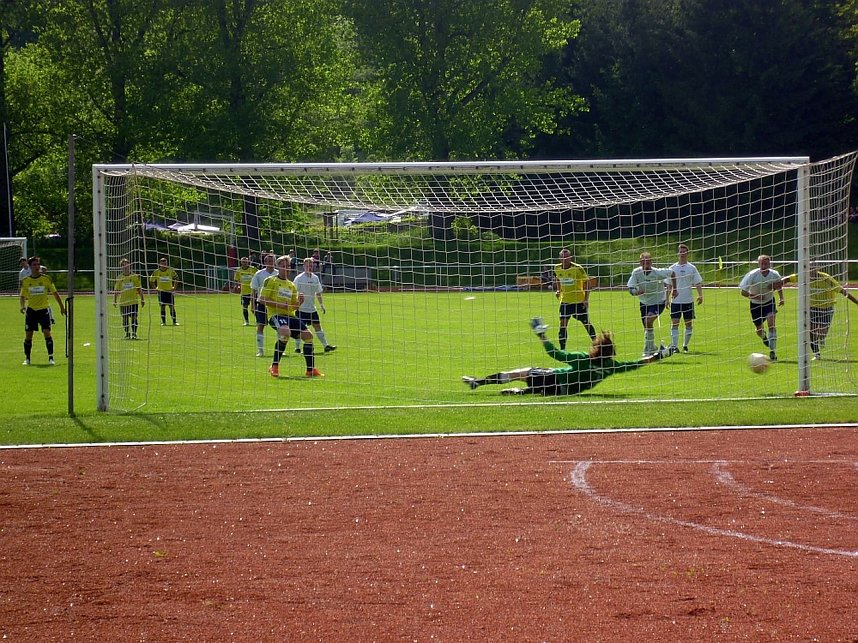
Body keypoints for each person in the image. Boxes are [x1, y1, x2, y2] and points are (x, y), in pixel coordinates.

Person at [461, 318, 671, 396]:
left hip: (553, 379)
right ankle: (521, 393)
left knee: (520, 372)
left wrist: (541, 335)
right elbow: (636, 364)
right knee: (537, 386)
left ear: (596, 348)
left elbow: (555, 353)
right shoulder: (611, 367)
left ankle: (478, 383)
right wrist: (659, 355)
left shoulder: (581, 359)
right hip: (565, 392)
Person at [258, 254, 322, 378]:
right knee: (285, 332)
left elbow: (293, 307)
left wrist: (299, 302)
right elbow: (261, 299)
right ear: (278, 267)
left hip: (290, 316)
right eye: (283, 266)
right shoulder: (270, 280)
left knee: (308, 336)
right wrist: (280, 305)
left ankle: (310, 370)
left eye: (288, 266)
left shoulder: (291, 285)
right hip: (275, 314)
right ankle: (274, 366)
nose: (286, 268)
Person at [782, 265, 858, 359]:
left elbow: (843, 291)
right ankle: (816, 353)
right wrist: (776, 284)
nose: (810, 271)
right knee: (811, 330)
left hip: (827, 307)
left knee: (822, 332)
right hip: (812, 307)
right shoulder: (802, 276)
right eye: (808, 269)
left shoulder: (826, 278)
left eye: (812, 269)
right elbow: (787, 279)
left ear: (817, 269)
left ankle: (822, 338)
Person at [19, 256, 66, 365]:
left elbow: (55, 293)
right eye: (34, 265)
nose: (37, 266)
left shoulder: (46, 279)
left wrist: (62, 307)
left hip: (43, 310)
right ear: (30, 267)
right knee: (28, 335)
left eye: (38, 264)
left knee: (47, 332)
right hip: (31, 311)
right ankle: (27, 359)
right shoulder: (26, 281)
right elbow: (22, 296)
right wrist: (22, 306)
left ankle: (51, 358)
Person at [627, 252, 676, 356]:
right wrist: (636, 292)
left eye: (648, 261)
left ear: (651, 262)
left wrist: (674, 289)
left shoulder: (657, 272)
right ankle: (652, 347)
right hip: (644, 303)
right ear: (640, 262)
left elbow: (672, 273)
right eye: (644, 261)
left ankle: (647, 351)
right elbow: (630, 288)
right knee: (646, 326)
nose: (646, 263)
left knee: (648, 320)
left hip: (658, 302)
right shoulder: (636, 273)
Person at [739, 254, 784, 361]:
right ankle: (764, 337)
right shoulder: (752, 275)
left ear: (770, 264)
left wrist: (781, 298)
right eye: (762, 263)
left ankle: (772, 352)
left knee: (771, 325)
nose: (764, 265)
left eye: (766, 263)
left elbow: (778, 286)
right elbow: (743, 292)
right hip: (755, 304)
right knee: (759, 330)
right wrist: (756, 296)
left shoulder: (774, 274)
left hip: (769, 302)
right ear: (758, 264)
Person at [552, 248, 596, 348]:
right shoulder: (557, 268)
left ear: (570, 257)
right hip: (565, 301)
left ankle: (597, 343)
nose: (565, 259)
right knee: (562, 324)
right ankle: (562, 350)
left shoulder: (578, 268)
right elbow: (557, 278)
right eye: (563, 257)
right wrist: (559, 290)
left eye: (567, 257)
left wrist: (586, 299)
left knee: (586, 323)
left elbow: (587, 283)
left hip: (579, 301)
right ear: (560, 258)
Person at [293, 256, 336, 354]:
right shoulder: (299, 278)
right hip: (301, 309)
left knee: (318, 327)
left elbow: (318, 293)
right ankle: (297, 348)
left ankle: (326, 346)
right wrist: (296, 304)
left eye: (311, 265)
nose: (310, 267)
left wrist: (321, 305)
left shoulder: (315, 278)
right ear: (304, 266)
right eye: (307, 265)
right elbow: (294, 292)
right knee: (300, 329)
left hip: (312, 309)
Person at [667, 243, 703, 353]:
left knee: (688, 324)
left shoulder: (692, 268)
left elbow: (697, 282)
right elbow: (668, 285)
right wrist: (666, 298)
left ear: (687, 253)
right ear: (678, 253)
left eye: (684, 252)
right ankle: (674, 346)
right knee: (675, 323)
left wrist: (700, 295)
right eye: (680, 251)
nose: (682, 254)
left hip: (688, 300)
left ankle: (685, 345)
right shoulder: (672, 268)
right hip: (676, 301)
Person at [250, 253, 277, 356]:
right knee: (261, 325)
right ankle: (260, 350)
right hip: (262, 303)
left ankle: (280, 350)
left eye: (273, 261)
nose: (271, 263)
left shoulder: (278, 273)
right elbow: (253, 290)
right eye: (269, 261)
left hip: (275, 304)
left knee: (279, 326)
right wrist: (252, 305)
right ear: (265, 262)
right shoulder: (259, 274)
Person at [113, 258, 145, 339]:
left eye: (127, 264)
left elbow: (139, 288)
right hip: (123, 302)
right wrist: (115, 300)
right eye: (124, 265)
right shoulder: (119, 277)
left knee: (134, 317)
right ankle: (127, 334)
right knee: (125, 319)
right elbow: (117, 290)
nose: (126, 266)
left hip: (133, 301)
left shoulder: (134, 276)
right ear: (121, 267)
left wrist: (142, 299)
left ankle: (134, 333)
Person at [148, 257, 179, 326]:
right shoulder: (156, 272)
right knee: (162, 306)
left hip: (169, 291)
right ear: (159, 264)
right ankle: (163, 322)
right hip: (161, 292)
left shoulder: (170, 270)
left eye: (165, 263)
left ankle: (174, 321)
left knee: (171, 306)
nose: (164, 265)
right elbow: (151, 281)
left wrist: (174, 287)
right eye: (163, 263)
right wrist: (155, 288)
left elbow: (176, 278)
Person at [233, 256, 257, 326]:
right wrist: (237, 286)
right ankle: (247, 321)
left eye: (246, 262)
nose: (245, 263)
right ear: (241, 262)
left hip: (253, 291)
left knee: (255, 307)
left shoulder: (253, 269)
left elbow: (258, 276)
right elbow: (236, 280)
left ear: (248, 262)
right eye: (243, 262)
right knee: (245, 307)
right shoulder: (239, 270)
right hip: (244, 292)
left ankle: (258, 321)